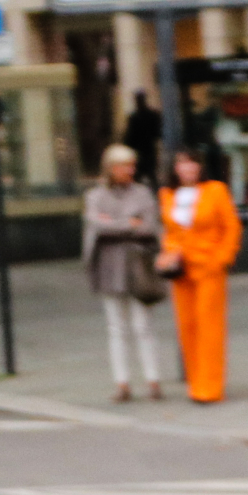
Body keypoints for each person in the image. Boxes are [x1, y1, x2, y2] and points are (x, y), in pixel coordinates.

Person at [82, 143, 165, 401]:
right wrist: (129, 223)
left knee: (143, 325)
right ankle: (122, 383)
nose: (131, 170)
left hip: (138, 265)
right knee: (116, 326)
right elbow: (96, 225)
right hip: (108, 266)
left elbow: (150, 227)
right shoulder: (95, 196)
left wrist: (113, 225)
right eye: (125, 166)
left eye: (132, 165)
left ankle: (153, 380)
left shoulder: (142, 193)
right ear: (111, 168)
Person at [158, 150, 241, 404]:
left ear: (199, 166)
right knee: (187, 326)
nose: (187, 168)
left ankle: (211, 385)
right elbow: (171, 232)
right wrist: (169, 253)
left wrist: (222, 259)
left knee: (210, 326)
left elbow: (232, 227)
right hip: (181, 269)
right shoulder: (167, 195)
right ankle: (195, 382)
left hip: (208, 265)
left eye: (191, 163)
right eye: (181, 164)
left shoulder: (215, 190)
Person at [122, 91, 164, 178]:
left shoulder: (139, 116)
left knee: (148, 173)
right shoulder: (137, 116)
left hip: (146, 148)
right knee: (144, 173)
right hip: (142, 148)